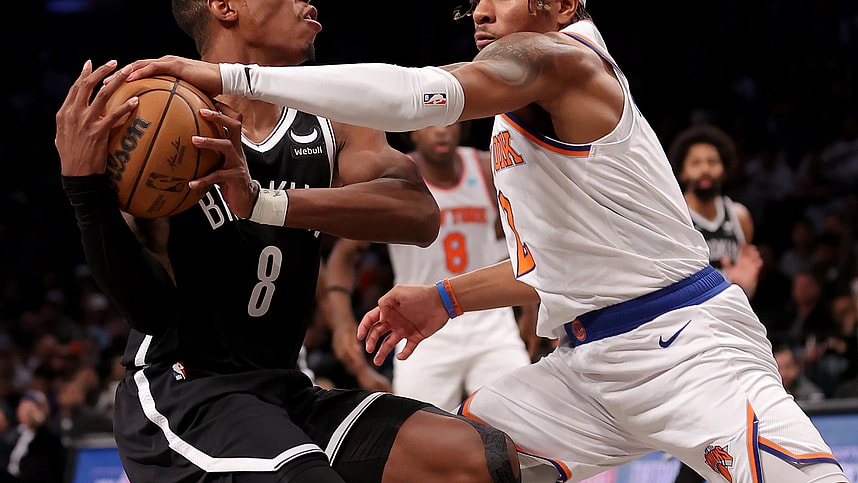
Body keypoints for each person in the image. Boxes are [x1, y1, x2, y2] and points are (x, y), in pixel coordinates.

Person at [120, 0, 847, 481]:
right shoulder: (515, 119)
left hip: (690, 351)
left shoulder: (563, 62)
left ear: (561, 6)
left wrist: (223, 75)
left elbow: (411, 96)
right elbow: (548, 267)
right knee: (448, 460)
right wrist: (445, 296)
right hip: (586, 368)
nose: (481, 10)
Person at [54, 1, 520, 482]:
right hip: (187, 390)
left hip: (284, 388)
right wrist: (86, 194)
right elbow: (149, 311)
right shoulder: (162, 115)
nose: (309, 1)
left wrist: (263, 202)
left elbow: (420, 216)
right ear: (225, 7)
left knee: (478, 459)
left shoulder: (329, 113)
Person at [326, 123, 535, 411]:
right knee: (416, 434)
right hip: (419, 325)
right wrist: (341, 323)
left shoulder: (486, 168)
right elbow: (344, 255)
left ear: (462, 128)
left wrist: (530, 310)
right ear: (412, 131)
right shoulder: (396, 178)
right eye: (430, 124)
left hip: (490, 323)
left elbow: (521, 242)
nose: (441, 131)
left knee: (522, 420)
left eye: (449, 123)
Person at [667, 123, 763, 299]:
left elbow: (745, 283)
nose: (705, 169)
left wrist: (746, 286)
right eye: (696, 162)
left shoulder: (739, 216)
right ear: (682, 172)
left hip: (731, 314)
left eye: (712, 162)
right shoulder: (673, 216)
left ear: (724, 169)